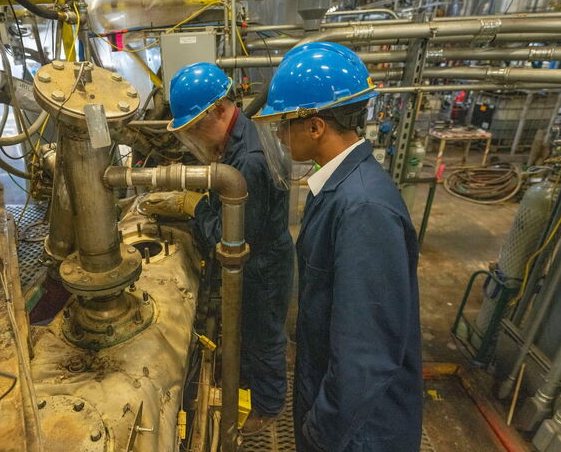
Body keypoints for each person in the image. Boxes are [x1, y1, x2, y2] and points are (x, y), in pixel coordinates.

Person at [253, 42, 423, 452]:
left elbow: (366, 353)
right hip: (335, 404)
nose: (278, 134)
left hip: (358, 432)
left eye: (284, 124)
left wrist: (320, 432)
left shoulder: (363, 208)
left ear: (315, 127)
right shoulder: (335, 185)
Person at [141, 62, 294, 434]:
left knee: (264, 335)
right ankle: (243, 380)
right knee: (248, 331)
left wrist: (193, 206)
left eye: (195, 126)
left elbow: (233, 237)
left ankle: (269, 406)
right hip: (264, 254)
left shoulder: (249, 162)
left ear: (218, 111)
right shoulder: (239, 136)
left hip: (261, 267)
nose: (193, 136)